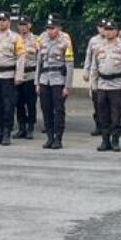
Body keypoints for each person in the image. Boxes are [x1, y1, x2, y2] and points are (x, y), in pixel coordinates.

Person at [85, 18, 121, 151]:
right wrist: (93, 84)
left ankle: (115, 140)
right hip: (102, 85)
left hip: (117, 85)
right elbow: (94, 67)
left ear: (116, 31)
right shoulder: (98, 46)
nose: (108, 32)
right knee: (102, 114)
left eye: (111, 29)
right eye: (106, 29)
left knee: (116, 115)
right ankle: (105, 140)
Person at [0, 11, 25, 145]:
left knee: (8, 105)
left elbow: (21, 57)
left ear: (9, 22)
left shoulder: (16, 38)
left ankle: (7, 132)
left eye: (4, 20)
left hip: (8, 75)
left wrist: (19, 75)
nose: (1, 22)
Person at [36, 14, 73, 149]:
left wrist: (67, 86)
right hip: (44, 80)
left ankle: (58, 138)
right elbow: (39, 62)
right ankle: (50, 137)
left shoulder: (65, 40)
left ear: (58, 28)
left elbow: (69, 64)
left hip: (58, 80)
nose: (49, 31)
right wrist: (37, 83)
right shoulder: (42, 39)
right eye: (48, 28)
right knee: (46, 109)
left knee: (58, 110)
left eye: (52, 28)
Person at [14, 15, 39, 139]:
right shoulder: (14, 39)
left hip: (31, 75)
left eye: (25, 25)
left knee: (31, 103)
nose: (23, 27)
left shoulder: (36, 40)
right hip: (17, 76)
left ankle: (30, 127)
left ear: (30, 25)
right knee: (18, 103)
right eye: (21, 25)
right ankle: (21, 127)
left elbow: (40, 59)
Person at [82, 20, 106, 136]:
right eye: (100, 26)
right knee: (96, 102)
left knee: (106, 103)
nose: (102, 29)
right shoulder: (93, 40)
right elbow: (88, 56)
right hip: (95, 75)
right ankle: (98, 125)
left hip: (107, 77)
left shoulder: (113, 40)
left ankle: (107, 126)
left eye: (104, 27)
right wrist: (86, 71)